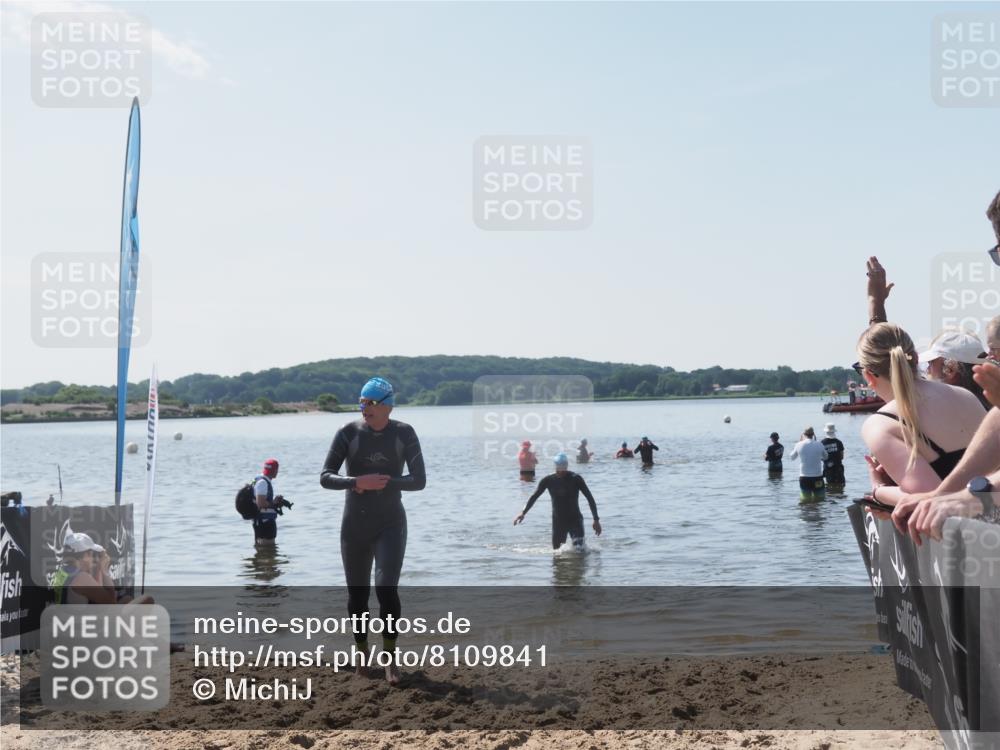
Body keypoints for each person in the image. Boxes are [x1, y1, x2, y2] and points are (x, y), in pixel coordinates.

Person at [320, 377, 426, 686]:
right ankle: (363, 655)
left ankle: (390, 658)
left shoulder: (404, 433)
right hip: (354, 524)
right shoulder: (348, 433)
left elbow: (419, 480)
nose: (363, 408)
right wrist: (356, 482)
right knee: (357, 596)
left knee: (386, 590)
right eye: (361, 402)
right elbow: (326, 476)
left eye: (370, 403)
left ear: (387, 405)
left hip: (390, 522)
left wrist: (387, 482)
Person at [857, 323, 986, 509]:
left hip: (968, 533)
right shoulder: (965, 396)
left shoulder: (880, 424)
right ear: (916, 359)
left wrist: (879, 490)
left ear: (869, 376)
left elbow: (935, 501)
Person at [513, 453, 601, 550]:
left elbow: (590, 498)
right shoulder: (548, 480)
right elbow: (534, 496)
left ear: (567, 467)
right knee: (557, 554)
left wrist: (596, 519)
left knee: (580, 552)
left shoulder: (576, 479)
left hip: (575, 520)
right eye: (559, 471)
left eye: (564, 470)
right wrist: (523, 512)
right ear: (555, 468)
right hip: (558, 521)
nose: (562, 473)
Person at [51, 532, 153, 606]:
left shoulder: (62, 572)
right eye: (92, 554)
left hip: (67, 622)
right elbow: (110, 602)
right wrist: (105, 571)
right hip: (79, 630)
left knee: (127, 600)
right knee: (147, 599)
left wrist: (99, 568)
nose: (93, 558)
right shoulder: (81, 578)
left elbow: (97, 598)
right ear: (85, 555)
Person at [919, 329, 990, 409]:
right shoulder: (992, 406)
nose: (927, 370)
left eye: (930, 362)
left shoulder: (942, 409)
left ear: (950, 369)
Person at [252, 458, 288, 547]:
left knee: (262, 551)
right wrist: (274, 503)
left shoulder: (259, 480)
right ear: (275, 470)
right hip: (265, 522)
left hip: (260, 521)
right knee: (269, 549)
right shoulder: (263, 482)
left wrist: (274, 502)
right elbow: (260, 503)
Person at [789, 427, 828, 501]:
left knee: (805, 499)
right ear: (813, 434)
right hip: (817, 477)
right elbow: (826, 457)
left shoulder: (799, 444)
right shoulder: (819, 444)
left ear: (804, 434)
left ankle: (806, 510)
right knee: (819, 499)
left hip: (804, 477)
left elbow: (792, 457)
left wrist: (799, 442)